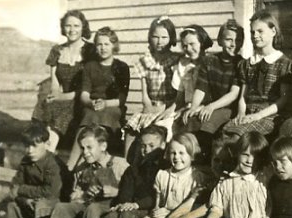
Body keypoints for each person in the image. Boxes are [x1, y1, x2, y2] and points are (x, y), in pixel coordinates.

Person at [222, 12, 292, 138]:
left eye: (260, 31)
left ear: (273, 31)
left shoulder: (284, 64)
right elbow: (243, 96)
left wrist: (258, 116)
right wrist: (241, 114)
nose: (255, 36)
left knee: (238, 136)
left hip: (270, 116)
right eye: (252, 32)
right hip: (248, 114)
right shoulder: (246, 64)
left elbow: (283, 99)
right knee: (224, 134)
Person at [31, 10, 95, 150]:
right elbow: (55, 83)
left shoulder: (91, 50)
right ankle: (41, 149)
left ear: (83, 27)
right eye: (68, 26)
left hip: (83, 99)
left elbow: (91, 86)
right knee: (45, 105)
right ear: (63, 28)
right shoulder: (57, 51)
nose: (72, 30)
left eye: (76, 26)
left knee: (62, 109)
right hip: (62, 98)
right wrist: (54, 97)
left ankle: (48, 151)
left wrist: (62, 97)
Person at [68, 27, 130, 168]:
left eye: (107, 44)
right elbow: (84, 94)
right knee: (90, 115)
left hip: (112, 107)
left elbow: (121, 99)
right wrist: (91, 103)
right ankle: (72, 164)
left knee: (101, 114)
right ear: (95, 46)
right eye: (99, 44)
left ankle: (87, 159)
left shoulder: (122, 67)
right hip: (92, 106)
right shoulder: (90, 66)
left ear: (114, 45)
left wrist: (105, 104)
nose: (103, 48)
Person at [183, 19, 245, 158]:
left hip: (230, 108)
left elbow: (234, 94)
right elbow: (201, 88)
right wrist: (193, 107)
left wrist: (211, 107)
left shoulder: (241, 64)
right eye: (229, 39)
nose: (234, 44)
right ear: (220, 40)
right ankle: (191, 157)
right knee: (191, 118)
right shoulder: (209, 61)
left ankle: (206, 160)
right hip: (212, 105)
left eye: (238, 40)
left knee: (207, 122)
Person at [5, 121, 67, 218]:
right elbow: (15, 184)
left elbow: (51, 191)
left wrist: (22, 191)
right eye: (27, 146)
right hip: (33, 199)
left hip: (56, 201)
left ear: (47, 144)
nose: (30, 150)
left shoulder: (53, 164)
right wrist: (24, 199)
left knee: (41, 206)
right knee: (13, 206)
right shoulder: (26, 161)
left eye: (34, 145)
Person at [125, 16, 182, 158]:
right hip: (151, 106)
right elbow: (145, 96)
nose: (159, 41)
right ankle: (127, 163)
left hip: (170, 107)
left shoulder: (176, 60)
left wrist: (168, 108)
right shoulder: (146, 60)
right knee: (132, 128)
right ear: (150, 37)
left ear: (171, 38)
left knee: (159, 131)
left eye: (164, 37)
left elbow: (180, 92)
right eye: (155, 37)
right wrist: (148, 106)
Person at [167, 25, 214, 133]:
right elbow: (179, 97)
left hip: (205, 109)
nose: (188, 49)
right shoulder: (183, 65)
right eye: (184, 45)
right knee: (162, 126)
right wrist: (170, 110)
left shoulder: (211, 63)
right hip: (186, 108)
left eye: (192, 44)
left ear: (202, 43)